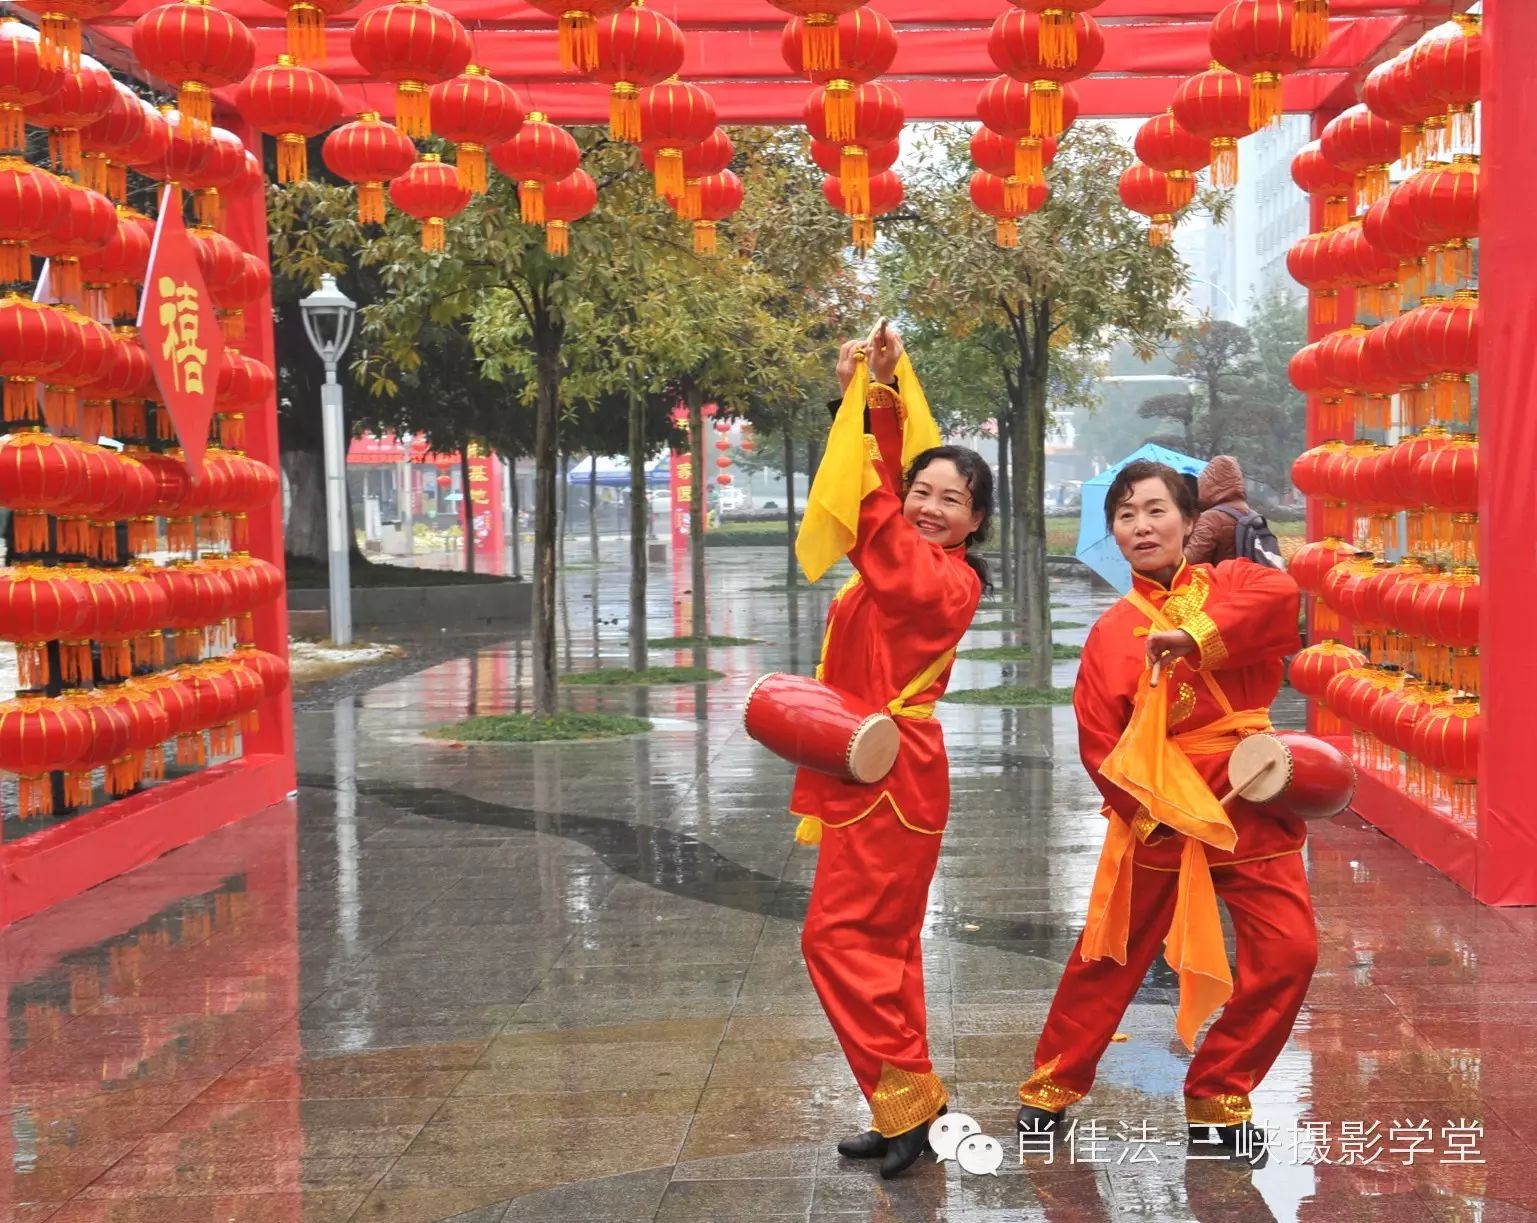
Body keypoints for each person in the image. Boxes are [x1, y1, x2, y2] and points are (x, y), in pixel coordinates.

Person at [1015, 459, 1316, 1159]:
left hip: (1249, 801)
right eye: (1124, 515)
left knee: (1289, 953)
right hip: (1160, 810)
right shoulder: (1108, 634)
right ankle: (1049, 1088)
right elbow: (1099, 744)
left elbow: (1279, 602)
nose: (1140, 525)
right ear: (1113, 534)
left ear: (1189, 521)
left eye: (1154, 510)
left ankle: (1218, 1091)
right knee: (1108, 955)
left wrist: (1191, 637)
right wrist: (1150, 809)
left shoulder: (1232, 582)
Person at [793, 323, 991, 1179]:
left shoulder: (944, 580)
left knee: (837, 940)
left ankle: (908, 1099)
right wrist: (870, 397)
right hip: (871, 764)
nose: (928, 504)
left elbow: (874, 523)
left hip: (891, 772)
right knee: (885, 945)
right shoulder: (912, 556)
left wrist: (865, 411)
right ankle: (905, 1103)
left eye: (951, 499)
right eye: (923, 489)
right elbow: (884, 497)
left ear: (974, 522)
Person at [1183, 455, 1251, 566]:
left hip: (1219, 580)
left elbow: (1188, 560)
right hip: (1244, 577)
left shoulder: (1211, 518)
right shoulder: (1248, 511)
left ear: (1210, 481)